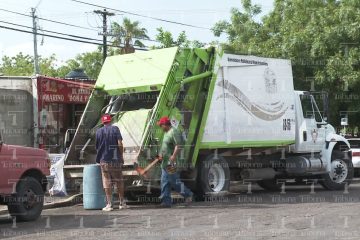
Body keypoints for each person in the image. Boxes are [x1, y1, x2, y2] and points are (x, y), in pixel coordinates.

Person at [157, 116, 193, 207]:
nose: (161, 127)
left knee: (174, 181)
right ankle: (166, 202)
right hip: (165, 163)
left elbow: (178, 145)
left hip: (171, 162)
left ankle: (188, 195)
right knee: (164, 182)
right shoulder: (166, 133)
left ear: (165, 124)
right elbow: (165, 146)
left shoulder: (174, 131)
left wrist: (173, 156)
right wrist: (160, 155)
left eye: (161, 125)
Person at [96, 114, 129, 211]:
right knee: (119, 180)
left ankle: (109, 204)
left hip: (104, 160)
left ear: (103, 122)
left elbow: (97, 147)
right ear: (111, 121)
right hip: (115, 161)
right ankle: (122, 203)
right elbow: (120, 143)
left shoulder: (98, 132)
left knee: (106, 181)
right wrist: (121, 156)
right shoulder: (115, 129)